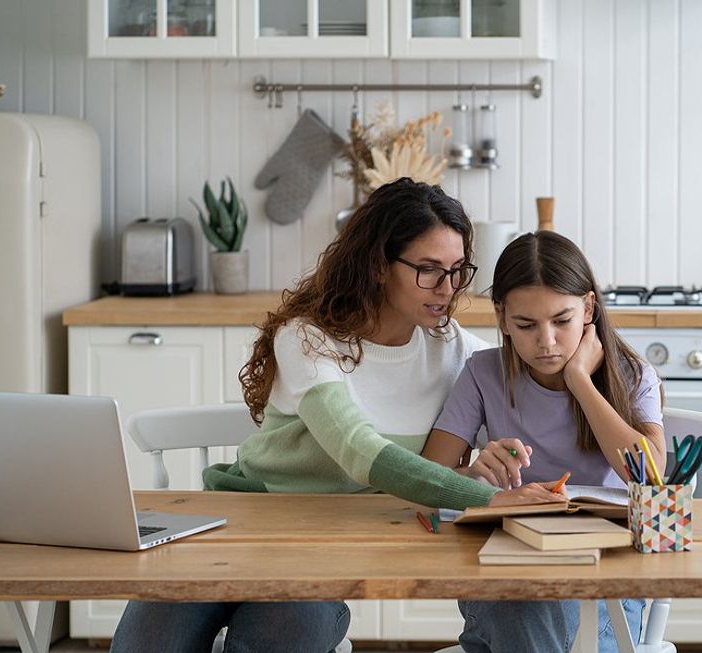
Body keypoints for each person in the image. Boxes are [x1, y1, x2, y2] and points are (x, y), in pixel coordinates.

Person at [110, 179, 559, 653]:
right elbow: (357, 451)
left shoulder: (454, 350)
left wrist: (485, 462)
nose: (447, 290)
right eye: (429, 271)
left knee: (285, 631)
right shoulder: (308, 338)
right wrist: (482, 497)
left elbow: (538, 386)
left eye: (457, 271)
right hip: (239, 524)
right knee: (149, 637)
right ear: (378, 266)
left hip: (321, 550)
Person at [421, 230, 667, 653]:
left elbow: (651, 476)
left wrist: (580, 382)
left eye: (562, 320)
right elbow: (425, 483)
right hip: (508, 571)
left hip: (603, 581)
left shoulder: (631, 375)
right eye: (526, 325)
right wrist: (474, 476)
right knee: (526, 610)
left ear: (588, 308)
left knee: (550, 623)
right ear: (501, 318)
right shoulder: (483, 374)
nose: (547, 341)